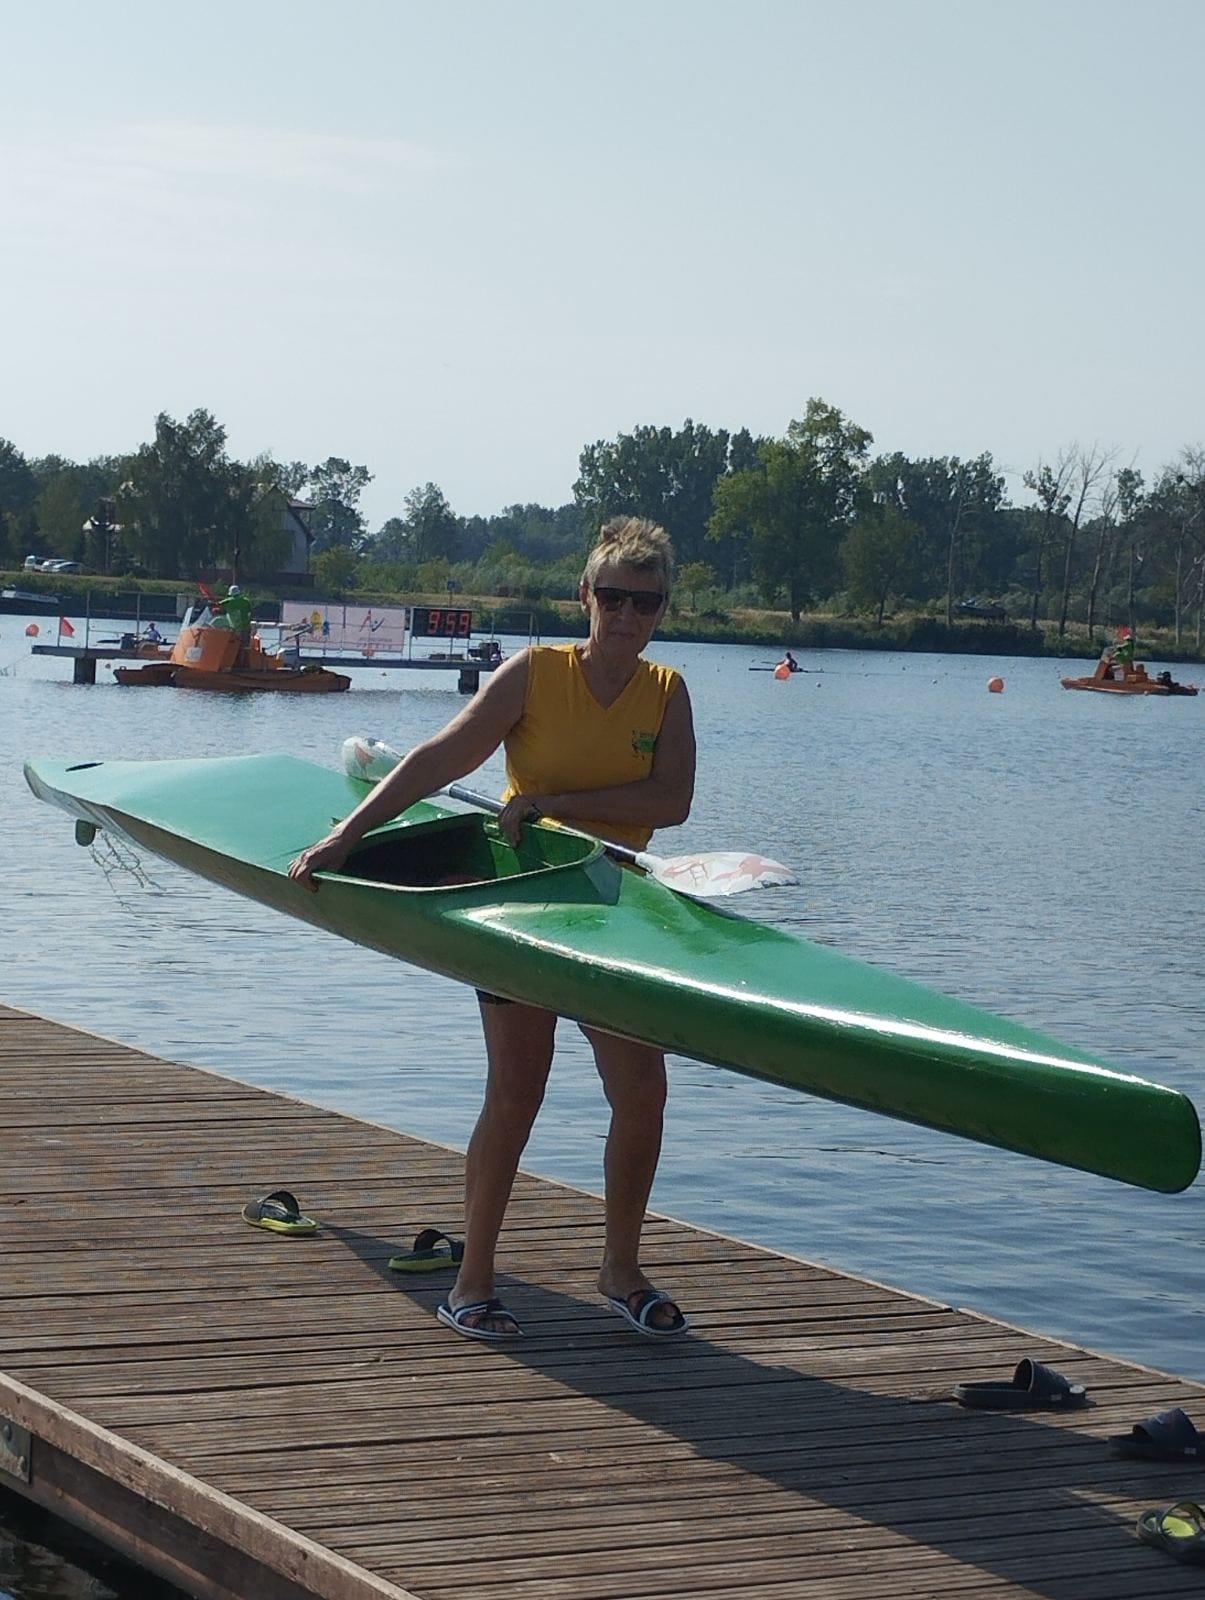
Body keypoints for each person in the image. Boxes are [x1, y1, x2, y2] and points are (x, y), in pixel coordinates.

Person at [288, 517, 696, 1342]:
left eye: (643, 603)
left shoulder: (667, 690)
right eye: (611, 596)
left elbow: (670, 803)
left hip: (615, 905)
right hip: (525, 903)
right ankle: (472, 1283)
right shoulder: (535, 674)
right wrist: (349, 834)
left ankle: (620, 1271)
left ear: (660, 611)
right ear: (584, 596)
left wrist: (554, 803)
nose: (625, 615)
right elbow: (440, 757)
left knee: (642, 1094)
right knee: (517, 1092)